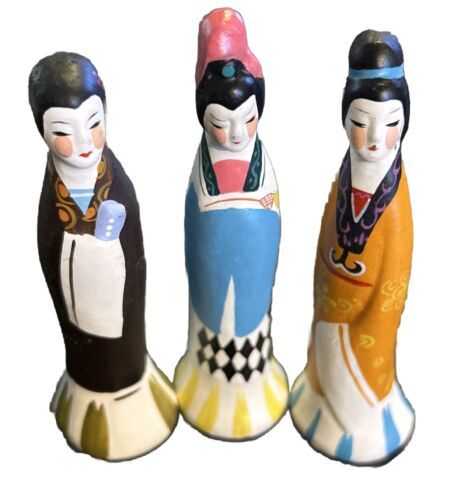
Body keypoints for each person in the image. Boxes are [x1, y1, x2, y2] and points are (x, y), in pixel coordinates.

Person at [29, 52, 177, 460]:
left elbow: (136, 256)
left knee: (125, 349)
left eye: (93, 124)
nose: (82, 144)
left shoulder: (117, 182)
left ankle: (133, 389)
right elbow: (48, 251)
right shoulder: (52, 196)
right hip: (78, 311)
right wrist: (78, 249)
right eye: (63, 131)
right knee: (86, 351)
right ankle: (86, 393)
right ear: (42, 130)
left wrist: (111, 248)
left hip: (122, 311)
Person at [290, 30, 415, 465]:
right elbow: (328, 231)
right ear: (345, 120)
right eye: (361, 123)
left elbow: (396, 271)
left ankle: (358, 423)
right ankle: (317, 396)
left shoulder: (394, 204)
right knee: (323, 363)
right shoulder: (345, 174)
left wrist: (375, 317)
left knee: (356, 377)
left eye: (390, 124)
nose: (375, 138)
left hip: (368, 318)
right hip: (331, 300)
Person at [174, 8, 288, 441]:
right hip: (211, 294)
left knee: (250, 326)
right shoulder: (201, 173)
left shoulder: (264, 171)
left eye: (248, 118)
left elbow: (269, 233)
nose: (237, 134)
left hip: (252, 292)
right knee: (210, 323)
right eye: (220, 124)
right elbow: (196, 238)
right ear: (203, 117)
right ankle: (206, 382)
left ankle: (252, 379)